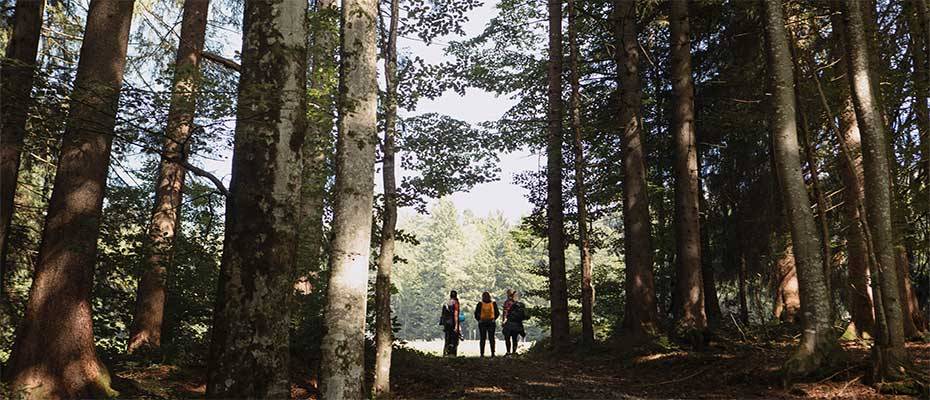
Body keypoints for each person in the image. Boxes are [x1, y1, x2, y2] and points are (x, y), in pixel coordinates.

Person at [473, 291, 499, 357]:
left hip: (489, 322)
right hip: (485, 322)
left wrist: (493, 319)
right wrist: (479, 320)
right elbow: (476, 313)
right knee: (486, 338)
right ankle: (484, 353)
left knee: (487, 338)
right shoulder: (480, 304)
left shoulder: (493, 303)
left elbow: (497, 313)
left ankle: (490, 353)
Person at [502, 290, 527, 355]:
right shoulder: (519, 304)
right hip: (517, 323)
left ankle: (508, 352)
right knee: (514, 338)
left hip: (509, 323)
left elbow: (505, 312)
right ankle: (514, 352)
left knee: (507, 338)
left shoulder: (507, 302)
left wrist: (504, 320)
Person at [440, 290, 461, 356]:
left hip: (446, 324)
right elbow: (456, 314)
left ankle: (445, 353)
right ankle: (453, 354)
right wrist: (457, 325)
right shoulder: (456, 303)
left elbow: (443, 315)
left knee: (447, 339)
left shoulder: (446, 303)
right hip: (453, 324)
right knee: (454, 340)